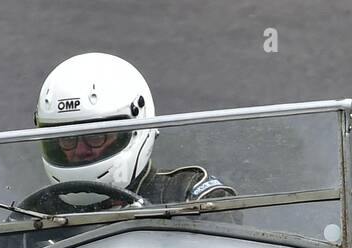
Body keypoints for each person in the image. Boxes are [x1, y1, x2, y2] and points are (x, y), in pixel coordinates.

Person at [34, 52, 235, 207]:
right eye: (67, 139)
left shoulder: (188, 195)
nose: (80, 150)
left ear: (137, 128)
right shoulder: (37, 214)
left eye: (95, 136)